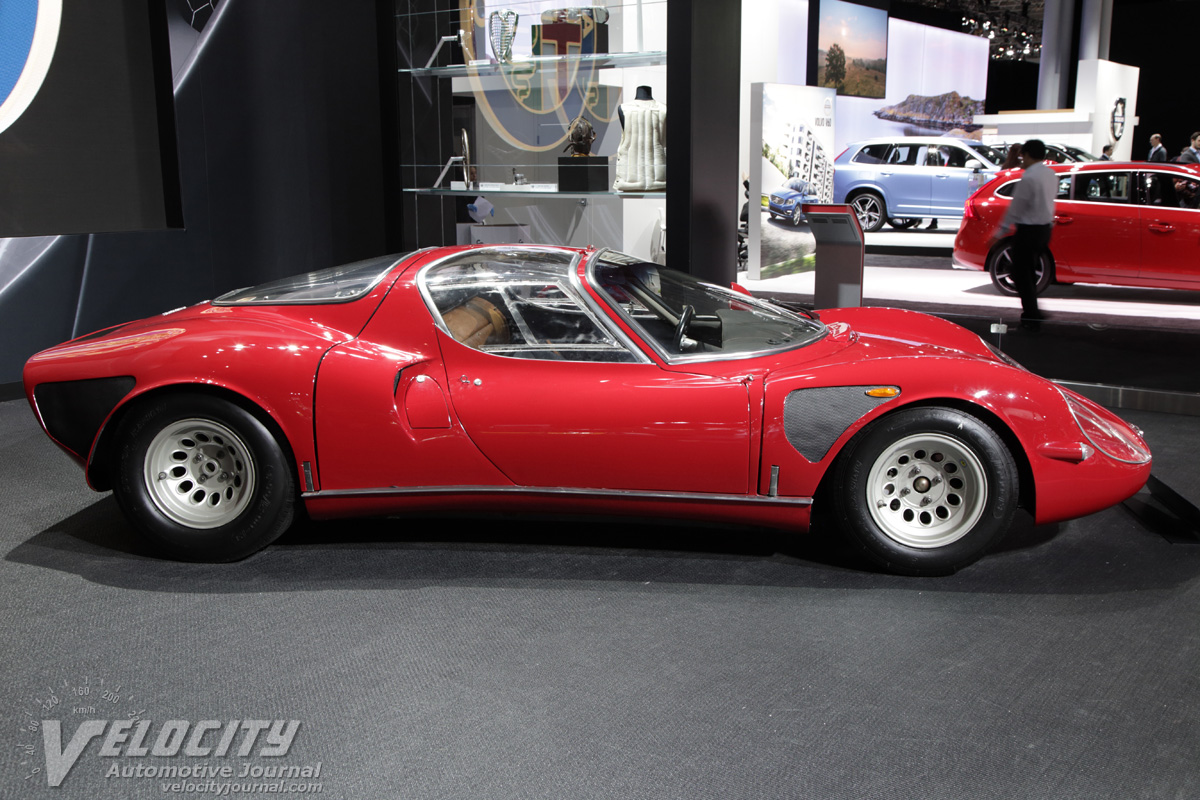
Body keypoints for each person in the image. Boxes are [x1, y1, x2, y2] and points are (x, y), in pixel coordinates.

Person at [992, 139, 1057, 331]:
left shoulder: (1029, 177)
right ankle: (1033, 313)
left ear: (1027, 155)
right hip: (1044, 230)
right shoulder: (1051, 174)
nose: (1022, 160)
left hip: (1028, 231)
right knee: (1027, 273)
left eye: (1023, 156)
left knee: (1021, 274)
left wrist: (1000, 231)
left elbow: (1016, 208)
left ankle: (1031, 317)